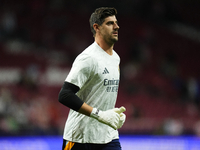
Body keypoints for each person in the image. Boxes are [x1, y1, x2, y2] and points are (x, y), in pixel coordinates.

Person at [58, 7, 126, 150]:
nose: (116, 26)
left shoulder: (116, 58)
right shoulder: (88, 58)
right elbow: (65, 95)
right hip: (80, 138)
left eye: (116, 22)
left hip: (109, 136)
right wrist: (100, 114)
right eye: (110, 23)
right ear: (97, 28)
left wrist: (113, 114)